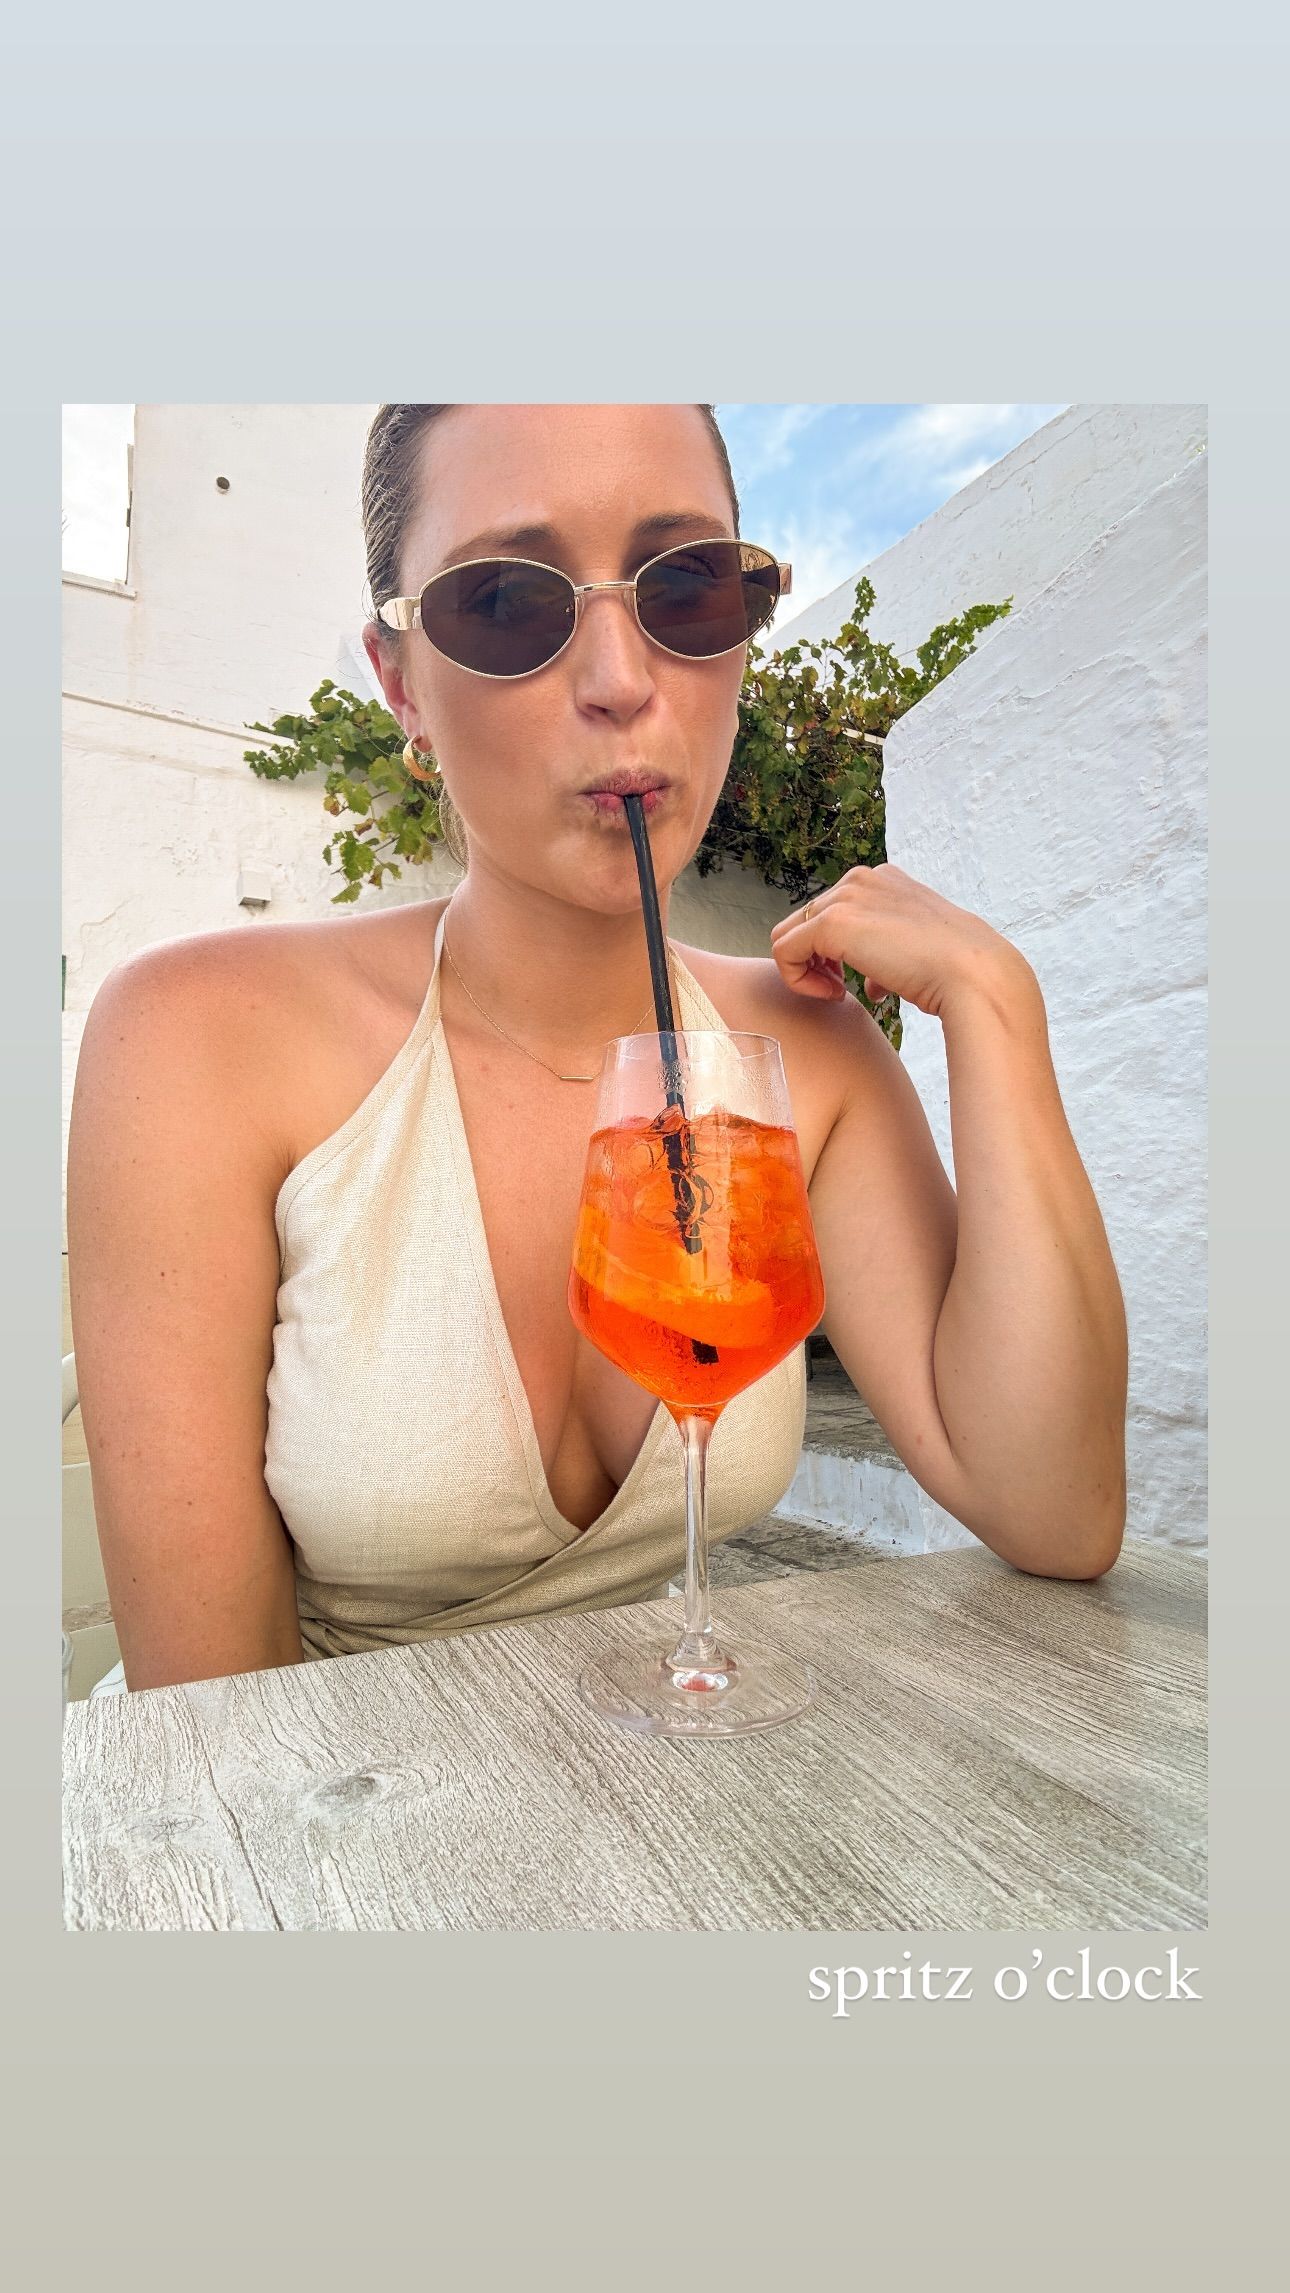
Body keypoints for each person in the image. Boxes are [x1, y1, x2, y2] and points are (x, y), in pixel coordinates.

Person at [66, 402, 1129, 1693]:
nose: (622, 680)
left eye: (686, 587)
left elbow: (1055, 1511)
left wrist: (996, 1006)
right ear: (401, 682)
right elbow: (214, 1709)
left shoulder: (804, 1055)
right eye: (506, 603)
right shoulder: (199, 1039)